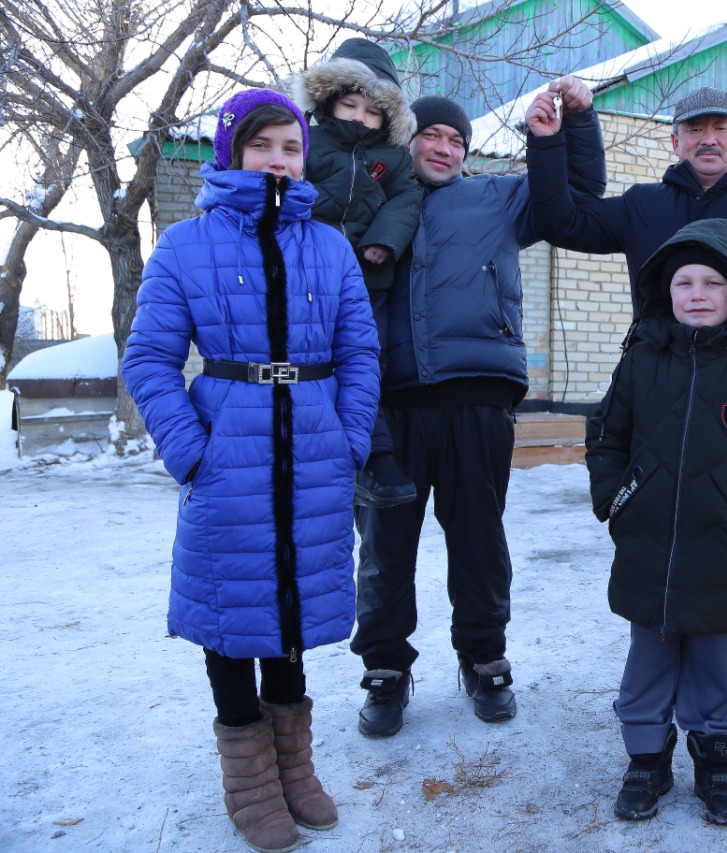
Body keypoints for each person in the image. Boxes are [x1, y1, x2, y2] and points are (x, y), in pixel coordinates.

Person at [526, 84, 727, 747]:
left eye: (719, 127)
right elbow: (566, 221)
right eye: (693, 128)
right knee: (659, 550)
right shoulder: (646, 205)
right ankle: (656, 698)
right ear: (674, 140)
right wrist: (555, 139)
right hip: (657, 406)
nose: (707, 138)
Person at [121, 89, 381, 853]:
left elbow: (361, 352)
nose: (277, 160)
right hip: (227, 456)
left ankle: (294, 766)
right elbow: (149, 359)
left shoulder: (329, 247)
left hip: (314, 453)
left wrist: (350, 435)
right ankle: (250, 779)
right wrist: (190, 448)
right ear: (232, 153)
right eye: (262, 145)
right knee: (232, 616)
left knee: (292, 612)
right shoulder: (184, 244)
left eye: (290, 147)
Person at [352, 79, 607, 737]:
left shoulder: (496, 197)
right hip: (391, 407)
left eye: (455, 139)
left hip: (477, 398)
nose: (443, 146)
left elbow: (574, 192)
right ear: (406, 141)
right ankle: (384, 670)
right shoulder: (374, 203)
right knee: (385, 548)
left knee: (478, 541)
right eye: (430, 134)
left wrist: (570, 124)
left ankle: (484, 657)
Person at [586, 219, 727, 825]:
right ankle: (647, 761)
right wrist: (616, 499)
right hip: (649, 546)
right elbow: (606, 436)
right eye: (684, 281)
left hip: (725, 548)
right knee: (649, 663)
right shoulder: (640, 363)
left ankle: (716, 763)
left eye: (713, 282)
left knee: (718, 668)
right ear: (664, 290)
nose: (696, 293)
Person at [289, 37, 423, 509]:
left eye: (373, 112)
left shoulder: (393, 160)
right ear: (328, 102)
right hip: (311, 283)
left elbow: (408, 200)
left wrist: (384, 239)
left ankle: (375, 456)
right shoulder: (305, 145)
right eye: (350, 105)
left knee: (370, 363)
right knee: (316, 362)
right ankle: (321, 453)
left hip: (370, 283)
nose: (360, 119)